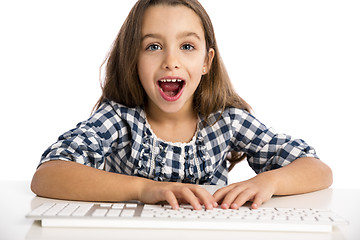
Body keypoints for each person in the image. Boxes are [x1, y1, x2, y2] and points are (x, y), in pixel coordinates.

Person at [31, 0, 332, 211]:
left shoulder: (226, 121)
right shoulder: (120, 119)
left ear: (206, 62)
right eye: (153, 46)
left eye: (187, 46)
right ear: (133, 60)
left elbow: (318, 170)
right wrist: (144, 189)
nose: (170, 61)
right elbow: (48, 175)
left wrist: (271, 180)